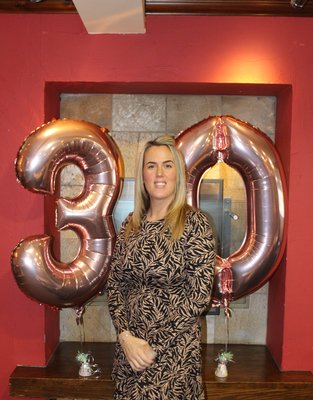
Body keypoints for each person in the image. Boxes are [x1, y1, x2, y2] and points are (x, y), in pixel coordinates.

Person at [107, 135, 216, 399]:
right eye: (151, 165)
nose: (159, 173)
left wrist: (151, 347)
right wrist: (125, 337)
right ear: (142, 174)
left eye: (167, 165)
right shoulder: (130, 226)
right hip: (130, 355)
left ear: (178, 174)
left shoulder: (195, 223)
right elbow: (115, 285)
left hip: (172, 357)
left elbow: (198, 297)